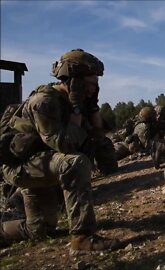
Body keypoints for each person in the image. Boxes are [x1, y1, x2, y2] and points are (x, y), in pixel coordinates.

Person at [0, 49, 119, 252]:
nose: (95, 88)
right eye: (91, 83)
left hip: (41, 163)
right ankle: (82, 237)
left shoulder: (76, 103)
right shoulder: (44, 102)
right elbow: (65, 145)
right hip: (21, 167)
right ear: (74, 81)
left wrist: (92, 107)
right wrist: (75, 108)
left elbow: (99, 137)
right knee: (76, 162)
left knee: (39, 229)